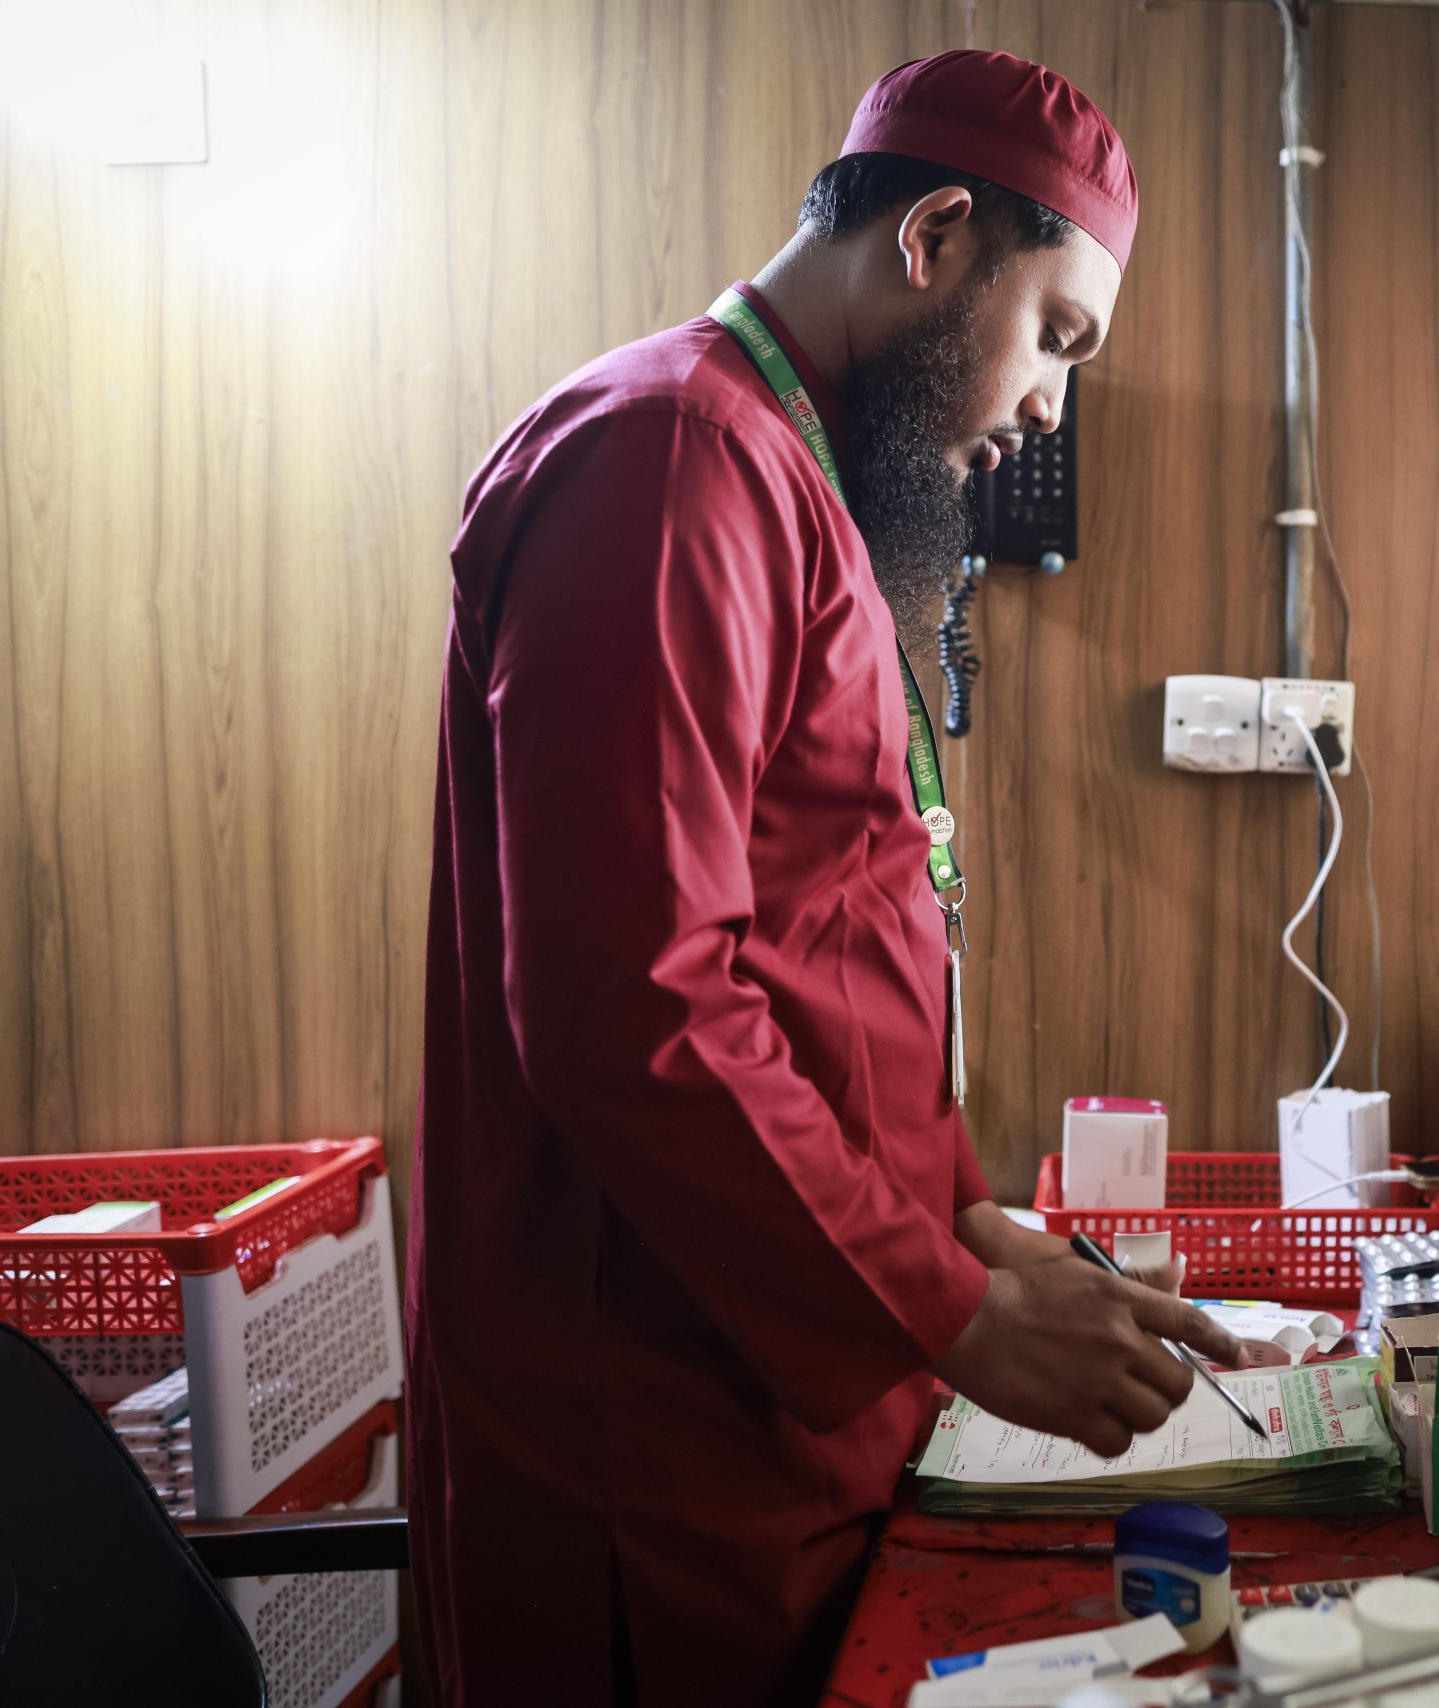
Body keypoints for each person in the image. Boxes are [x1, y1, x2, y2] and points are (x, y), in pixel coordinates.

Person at [403, 51, 1244, 1705]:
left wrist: (976, 1238)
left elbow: (808, 947)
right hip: (653, 1438)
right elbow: (634, 1003)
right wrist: (948, 1302)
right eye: (1057, 335)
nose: (1051, 408)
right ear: (934, 234)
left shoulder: (789, 476)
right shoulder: (667, 462)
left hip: (791, 1389)